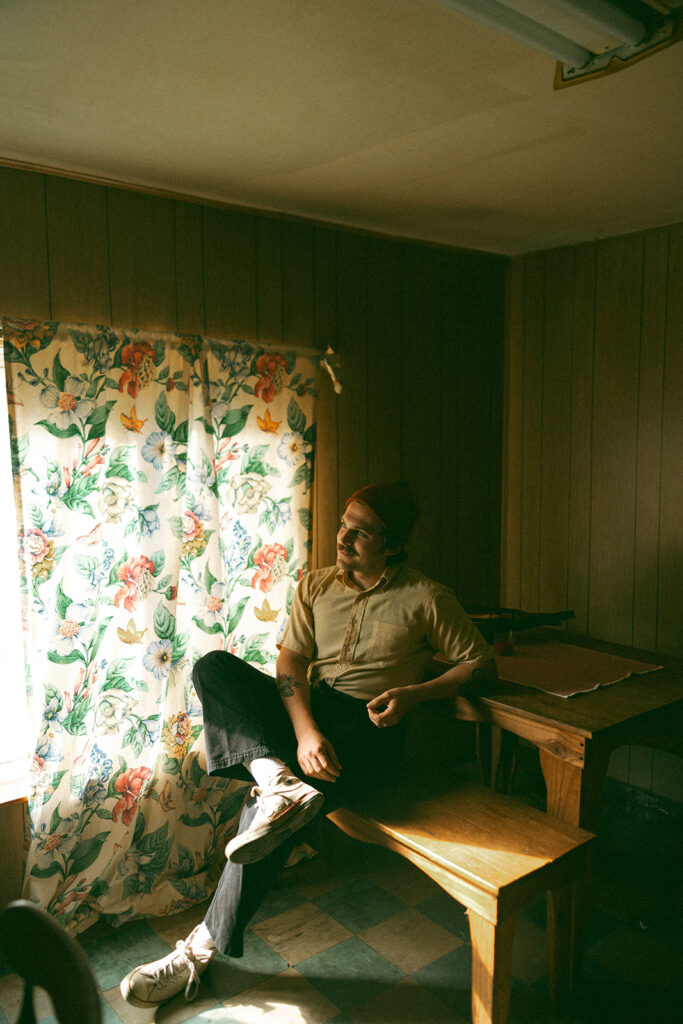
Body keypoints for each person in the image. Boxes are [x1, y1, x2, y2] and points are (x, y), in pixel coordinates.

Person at [120, 482, 497, 1008]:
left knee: (268, 822)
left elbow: (480, 663)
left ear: (391, 544)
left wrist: (416, 693)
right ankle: (275, 778)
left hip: (371, 730)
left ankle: (197, 951)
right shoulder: (317, 585)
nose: (343, 538)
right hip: (311, 713)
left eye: (360, 532)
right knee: (214, 668)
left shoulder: (427, 597)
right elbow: (291, 664)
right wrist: (303, 731)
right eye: (345, 524)